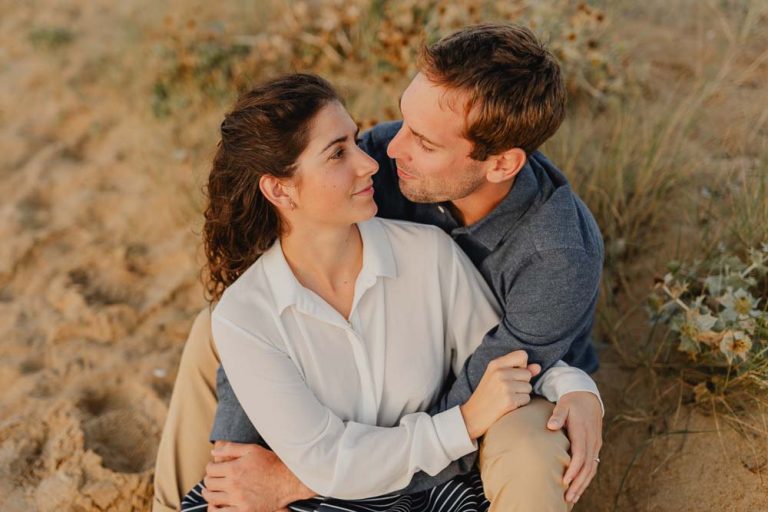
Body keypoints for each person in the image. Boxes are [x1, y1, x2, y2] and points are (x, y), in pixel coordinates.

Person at [154, 23, 604, 512]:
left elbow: (490, 389)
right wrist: (240, 455)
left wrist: (308, 477)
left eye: (425, 143)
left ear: (500, 164)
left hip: (503, 388)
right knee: (217, 331)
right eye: (402, 121)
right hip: (390, 398)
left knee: (531, 446)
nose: (385, 153)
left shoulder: (557, 256)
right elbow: (293, 237)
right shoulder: (390, 162)